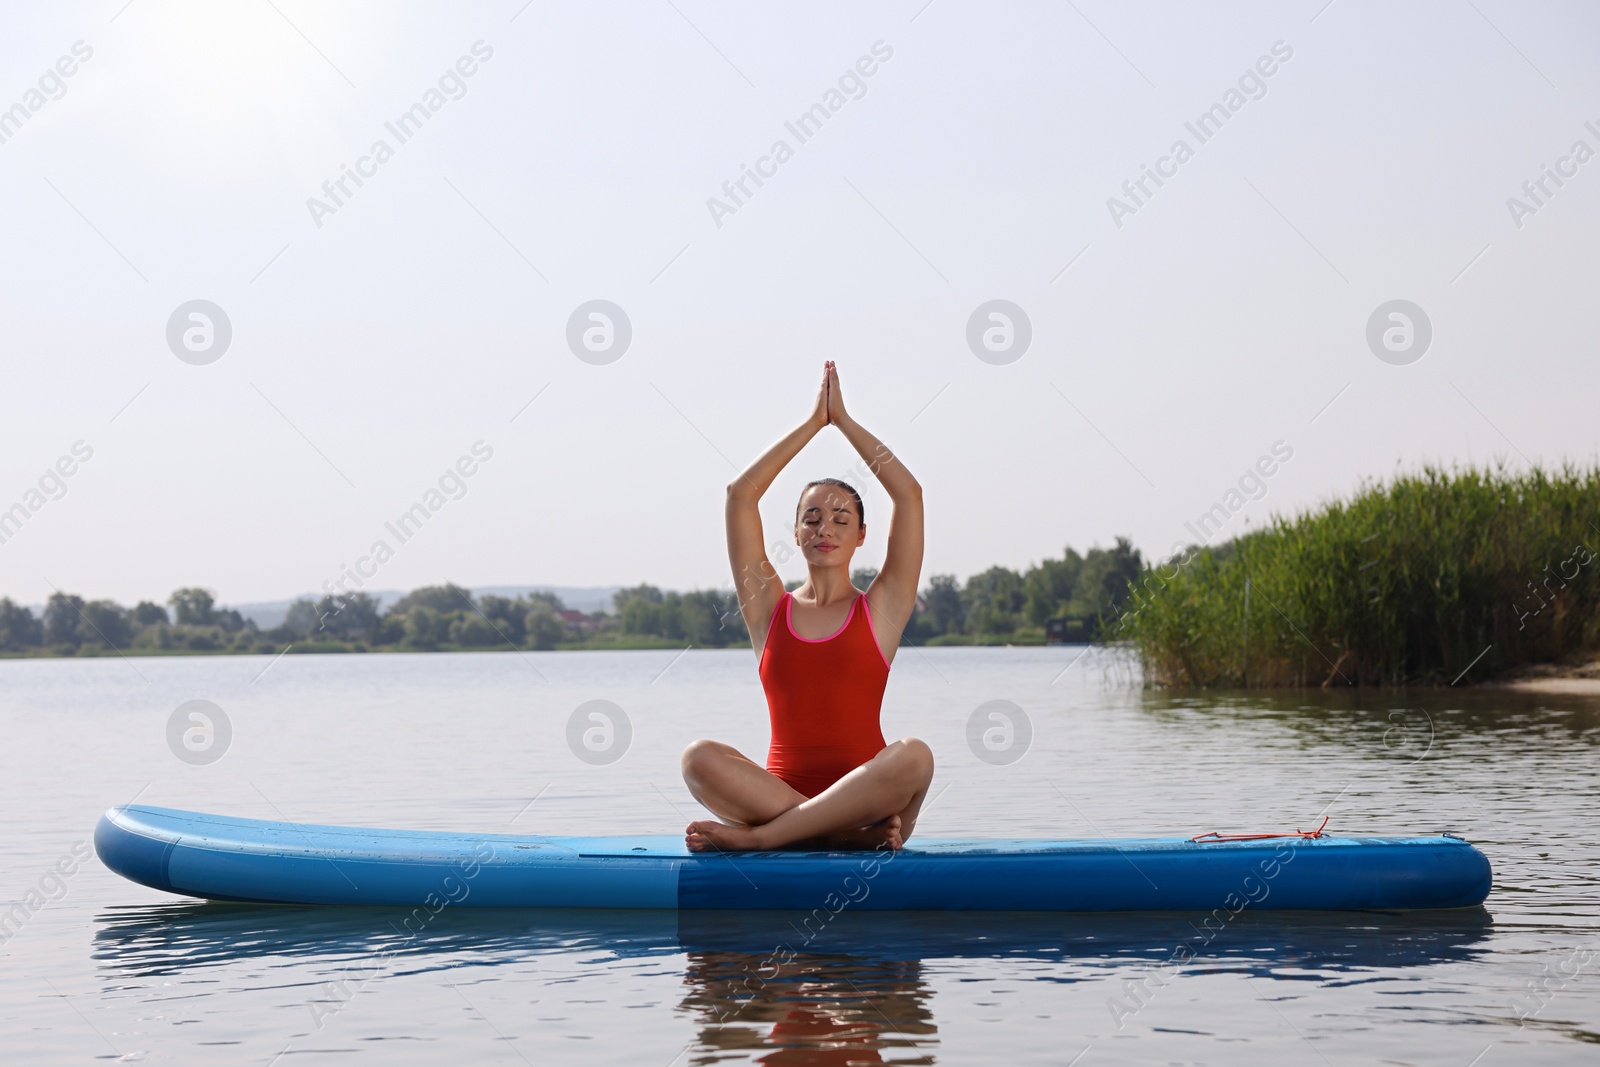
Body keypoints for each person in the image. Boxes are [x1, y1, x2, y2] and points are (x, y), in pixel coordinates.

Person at [682, 361, 933, 852]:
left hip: (868, 796)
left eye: (841, 519)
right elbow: (740, 497)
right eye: (811, 518)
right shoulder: (767, 609)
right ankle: (840, 835)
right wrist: (811, 424)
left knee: (915, 756)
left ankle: (765, 840)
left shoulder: (882, 608)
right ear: (796, 534)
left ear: (862, 536)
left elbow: (909, 495)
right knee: (697, 758)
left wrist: (843, 421)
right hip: (777, 796)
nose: (825, 529)